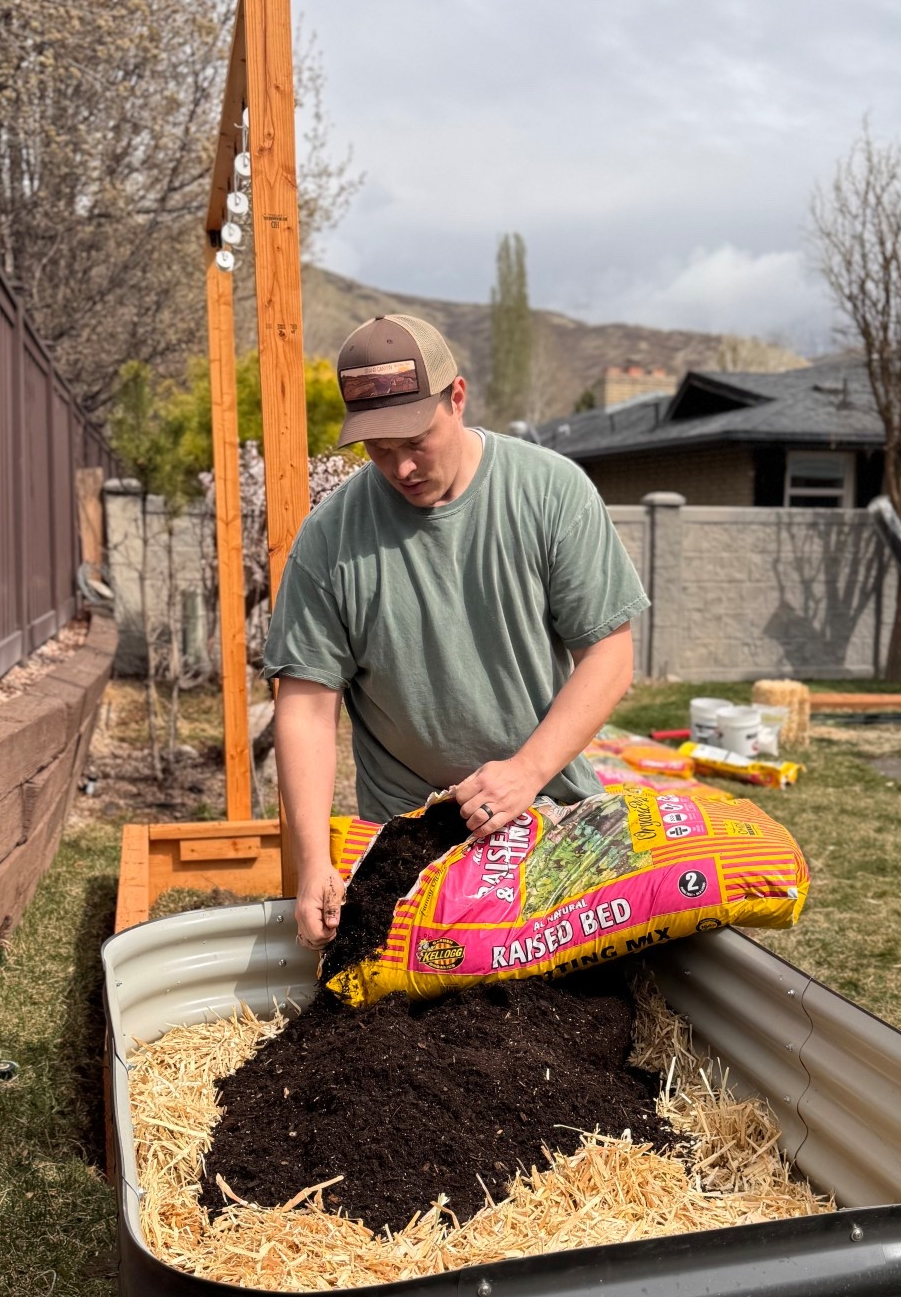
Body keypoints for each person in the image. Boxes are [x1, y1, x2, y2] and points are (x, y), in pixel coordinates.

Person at [266, 312, 649, 949]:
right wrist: (313, 864)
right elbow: (305, 709)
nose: (401, 467)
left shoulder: (552, 494)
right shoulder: (329, 540)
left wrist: (525, 771)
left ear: (458, 397)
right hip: (408, 840)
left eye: (415, 440)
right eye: (378, 449)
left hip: (549, 808)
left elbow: (609, 656)